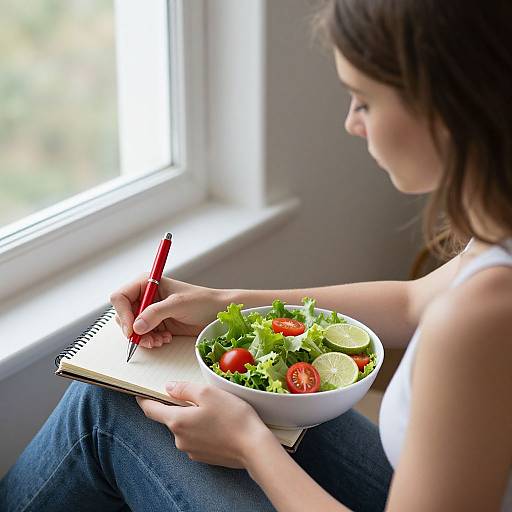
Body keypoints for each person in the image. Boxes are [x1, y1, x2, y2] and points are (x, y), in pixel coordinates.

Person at [1, 0, 511, 510]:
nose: (352, 123)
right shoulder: (496, 236)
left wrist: (252, 447)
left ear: (447, 105)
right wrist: (224, 305)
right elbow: (413, 303)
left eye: (364, 100)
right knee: (143, 390)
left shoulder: (481, 317)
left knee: (106, 410)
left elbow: (447, 315)